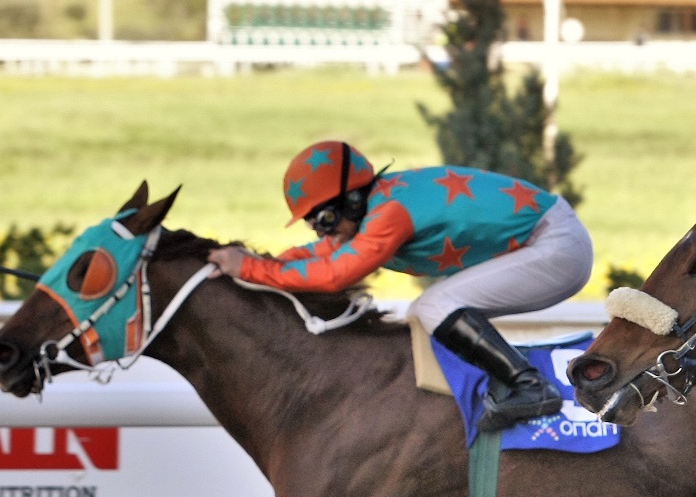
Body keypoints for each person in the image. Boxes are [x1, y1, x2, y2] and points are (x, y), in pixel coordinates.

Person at [207, 141, 594, 431]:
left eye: (325, 218)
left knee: (432, 306)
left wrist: (252, 270)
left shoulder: (389, 212)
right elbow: (322, 252)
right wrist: (259, 264)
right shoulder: (376, 203)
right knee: (431, 309)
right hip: (547, 239)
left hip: (557, 247)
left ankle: (530, 386)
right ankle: (498, 384)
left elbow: (334, 276)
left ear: (353, 198)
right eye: (314, 222)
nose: (322, 230)